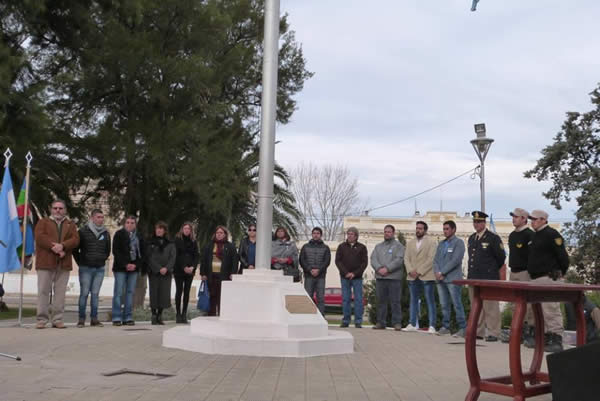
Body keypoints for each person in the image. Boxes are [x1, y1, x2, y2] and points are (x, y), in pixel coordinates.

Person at [527, 209, 570, 352]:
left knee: (551, 310)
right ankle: (545, 337)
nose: (531, 221)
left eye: (534, 219)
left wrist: (560, 273)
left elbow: (563, 257)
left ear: (543, 220)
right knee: (540, 311)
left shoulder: (552, 234)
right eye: (531, 219)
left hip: (549, 277)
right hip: (536, 278)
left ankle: (556, 338)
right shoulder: (535, 236)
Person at [34, 200, 80, 329]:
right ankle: (41, 320)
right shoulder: (43, 222)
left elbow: (75, 240)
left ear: (65, 210)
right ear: (51, 209)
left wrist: (63, 246)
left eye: (60, 208)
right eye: (55, 208)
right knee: (43, 291)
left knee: (60, 293)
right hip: (45, 263)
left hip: (63, 263)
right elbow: (39, 237)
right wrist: (53, 247)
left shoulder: (70, 224)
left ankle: (57, 319)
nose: (58, 210)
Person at [467, 211, 506, 342]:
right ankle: (479, 331)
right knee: (476, 306)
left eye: (479, 222)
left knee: (490, 306)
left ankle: (494, 332)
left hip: (488, 277)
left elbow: (501, 257)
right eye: (474, 222)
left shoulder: (493, 238)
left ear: (484, 223)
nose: (476, 224)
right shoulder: (472, 238)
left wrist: (491, 269)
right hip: (474, 277)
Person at [74, 209, 111, 328]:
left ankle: (94, 319)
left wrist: (102, 259)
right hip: (86, 268)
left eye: (102, 217)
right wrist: (81, 262)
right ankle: (81, 319)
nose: (101, 219)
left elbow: (107, 249)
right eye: (98, 217)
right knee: (84, 293)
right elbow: (75, 249)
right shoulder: (83, 231)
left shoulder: (106, 233)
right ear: (92, 218)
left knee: (95, 294)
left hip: (99, 268)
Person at [433, 220, 467, 337]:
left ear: (453, 230)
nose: (445, 231)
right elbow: (436, 260)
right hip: (440, 279)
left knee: (456, 303)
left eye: (447, 229)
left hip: (453, 279)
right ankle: (445, 327)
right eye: (444, 229)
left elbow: (455, 260)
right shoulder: (441, 244)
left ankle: (463, 328)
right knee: (444, 304)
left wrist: (442, 272)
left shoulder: (459, 243)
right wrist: (437, 272)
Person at [507, 208, 535, 345]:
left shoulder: (529, 235)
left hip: (525, 272)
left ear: (524, 219)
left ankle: (529, 333)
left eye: (516, 217)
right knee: (514, 304)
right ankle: (517, 331)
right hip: (513, 271)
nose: (514, 219)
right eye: (513, 216)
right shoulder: (512, 235)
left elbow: (532, 255)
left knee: (527, 304)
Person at [403, 221, 438, 333]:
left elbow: (431, 259)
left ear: (425, 230)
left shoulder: (432, 242)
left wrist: (419, 271)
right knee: (413, 300)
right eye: (417, 228)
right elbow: (406, 259)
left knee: (429, 301)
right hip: (412, 276)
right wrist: (410, 270)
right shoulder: (410, 243)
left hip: (426, 276)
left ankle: (432, 325)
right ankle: (412, 323)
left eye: (420, 228)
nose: (418, 230)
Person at [370, 224, 405, 330]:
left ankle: (397, 323)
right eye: (385, 232)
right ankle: (381, 322)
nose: (387, 233)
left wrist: (387, 269)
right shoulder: (378, 246)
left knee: (395, 301)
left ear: (393, 233)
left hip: (394, 278)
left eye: (389, 232)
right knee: (381, 301)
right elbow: (373, 259)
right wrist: (379, 269)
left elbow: (399, 260)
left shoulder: (399, 246)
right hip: (380, 278)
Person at [111, 215, 144, 326]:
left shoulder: (139, 236)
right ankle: (116, 317)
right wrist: (126, 264)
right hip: (120, 268)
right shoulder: (119, 234)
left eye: (132, 223)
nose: (130, 224)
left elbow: (143, 254)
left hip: (134, 269)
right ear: (124, 224)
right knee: (119, 293)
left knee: (130, 293)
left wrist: (135, 265)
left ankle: (128, 317)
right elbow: (116, 251)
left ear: (135, 224)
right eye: (128, 222)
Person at [200, 225, 238, 316]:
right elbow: (203, 260)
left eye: (221, 233)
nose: (219, 234)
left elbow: (235, 261)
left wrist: (233, 273)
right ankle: (211, 316)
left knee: (222, 297)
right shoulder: (209, 245)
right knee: (212, 296)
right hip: (211, 275)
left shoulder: (230, 246)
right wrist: (203, 273)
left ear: (225, 234)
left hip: (224, 275)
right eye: (217, 233)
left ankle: (222, 316)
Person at [335, 227, 368, 328]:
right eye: (348, 234)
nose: (349, 235)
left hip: (357, 278)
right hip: (345, 277)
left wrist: (354, 273)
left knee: (358, 299)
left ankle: (358, 321)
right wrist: (346, 273)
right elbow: (338, 261)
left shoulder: (362, 247)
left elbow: (364, 263)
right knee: (346, 299)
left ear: (356, 236)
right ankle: (346, 320)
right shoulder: (341, 247)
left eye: (352, 234)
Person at [146, 221, 176, 325]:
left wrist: (166, 268)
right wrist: (159, 268)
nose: (158, 230)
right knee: (154, 293)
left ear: (164, 231)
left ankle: (160, 315)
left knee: (164, 294)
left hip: (166, 273)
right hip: (154, 272)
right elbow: (149, 257)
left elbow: (173, 258)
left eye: (161, 228)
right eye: (157, 228)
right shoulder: (150, 242)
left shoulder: (171, 243)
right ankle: (153, 315)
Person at [300, 227, 331, 316]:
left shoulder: (326, 247)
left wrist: (319, 270)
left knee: (320, 298)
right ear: (312, 234)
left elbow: (327, 261)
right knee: (308, 297)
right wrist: (310, 270)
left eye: (318, 233)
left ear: (321, 235)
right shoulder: (305, 247)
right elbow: (302, 260)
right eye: (314, 233)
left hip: (321, 276)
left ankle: (321, 317)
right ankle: (307, 316)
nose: (316, 235)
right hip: (308, 276)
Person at [174, 222, 199, 324]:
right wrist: (184, 267)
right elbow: (177, 255)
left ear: (191, 230)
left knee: (187, 292)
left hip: (190, 270)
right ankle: (178, 314)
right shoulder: (177, 240)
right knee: (179, 291)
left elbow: (196, 255)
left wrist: (193, 267)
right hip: (179, 270)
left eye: (188, 229)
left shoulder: (194, 241)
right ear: (182, 229)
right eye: (185, 228)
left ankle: (184, 313)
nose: (187, 230)